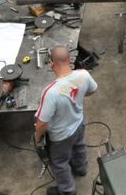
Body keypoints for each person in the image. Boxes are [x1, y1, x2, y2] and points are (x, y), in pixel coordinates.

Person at [34, 46, 98, 195]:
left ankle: (68, 191)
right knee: (79, 146)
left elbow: (42, 124)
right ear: (70, 59)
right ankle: (81, 169)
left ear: (51, 64)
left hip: (60, 136)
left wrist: (37, 138)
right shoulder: (83, 75)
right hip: (78, 123)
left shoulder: (50, 92)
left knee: (60, 163)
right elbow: (93, 89)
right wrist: (76, 96)